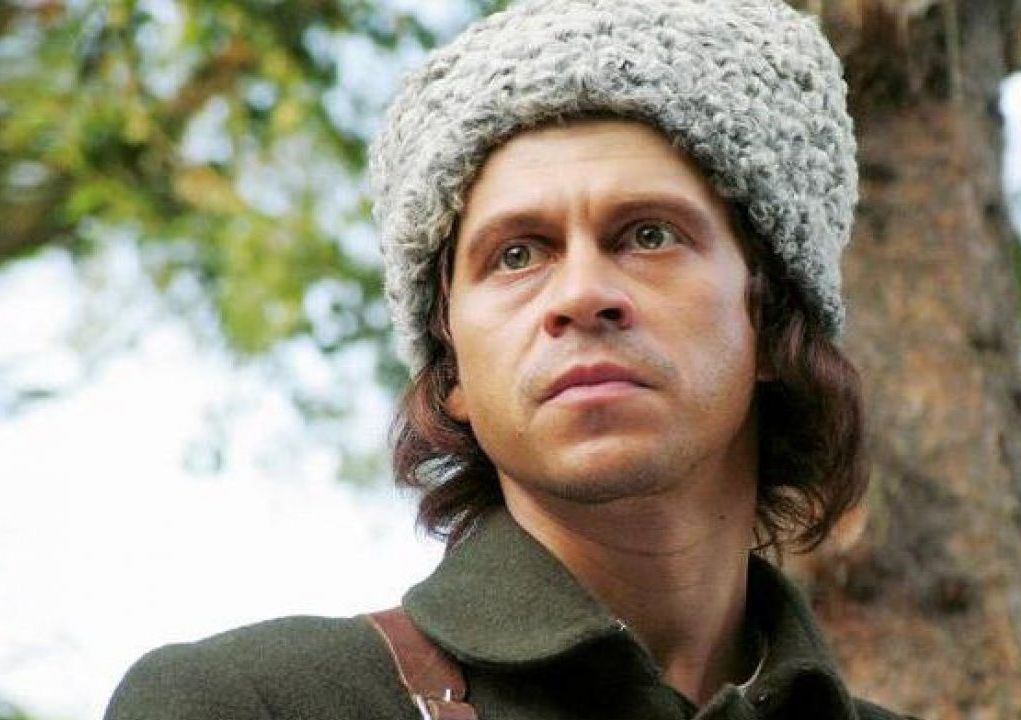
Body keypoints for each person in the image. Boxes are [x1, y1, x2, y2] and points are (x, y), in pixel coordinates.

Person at [105, 0, 912, 718]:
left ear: (770, 320)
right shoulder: (250, 704)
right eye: (517, 254)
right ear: (451, 368)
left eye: (649, 235)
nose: (581, 294)